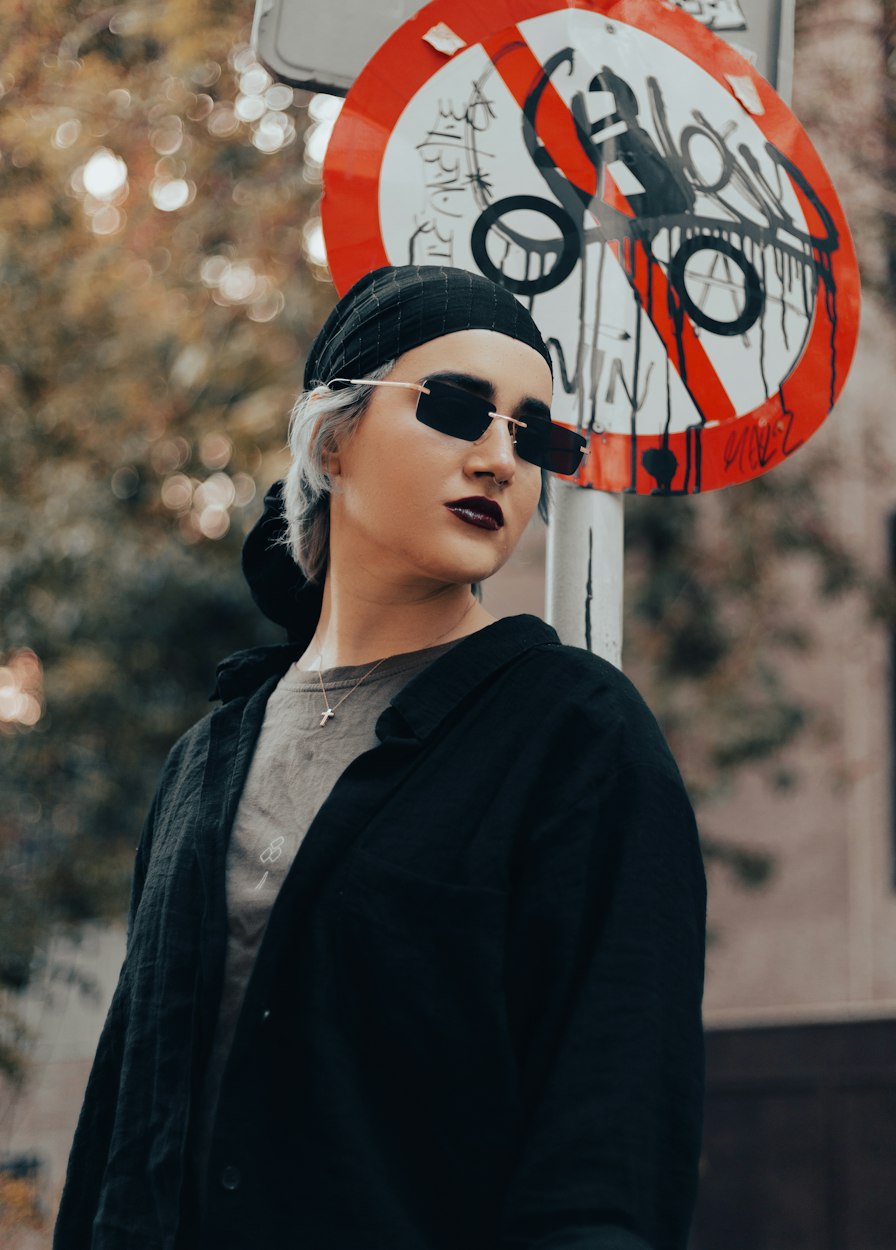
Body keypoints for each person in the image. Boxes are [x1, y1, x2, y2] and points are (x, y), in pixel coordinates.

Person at [54, 264, 706, 1250]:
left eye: (533, 435)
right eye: (457, 407)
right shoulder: (201, 761)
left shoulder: (578, 736)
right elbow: (121, 1128)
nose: (500, 458)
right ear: (334, 433)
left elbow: (606, 1159)